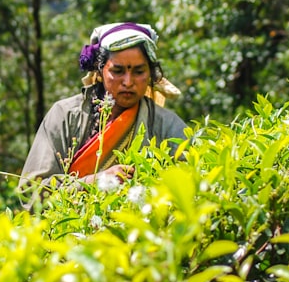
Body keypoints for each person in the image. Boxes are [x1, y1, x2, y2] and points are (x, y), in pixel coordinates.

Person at [19, 22, 187, 194]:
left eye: (138, 72)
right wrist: (95, 181)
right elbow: (30, 192)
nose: (128, 82)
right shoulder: (65, 116)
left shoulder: (166, 124)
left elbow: (195, 179)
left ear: (151, 73)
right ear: (100, 71)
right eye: (118, 71)